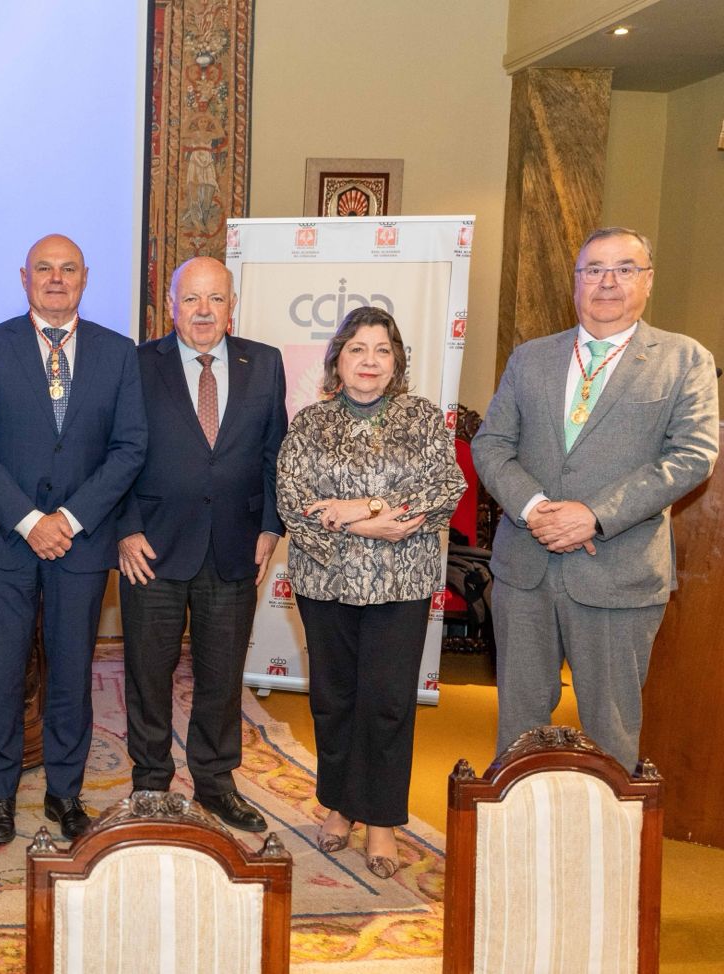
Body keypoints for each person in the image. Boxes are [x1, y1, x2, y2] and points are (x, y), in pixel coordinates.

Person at [472, 227, 718, 772]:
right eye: (593, 270)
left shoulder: (684, 360)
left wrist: (595, 516)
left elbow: (693, 455)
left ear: (647, 281)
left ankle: (605, 854)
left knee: (611, 731)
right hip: (525, 573)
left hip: (619, 573)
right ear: (575, 282)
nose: (607, 282)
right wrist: (535, 508)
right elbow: (491, 444)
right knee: (518, 729)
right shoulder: (530, 358)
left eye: (624, 269)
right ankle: (516, 850)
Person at [0, 234, 148, 844]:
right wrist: (28, 521)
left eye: (68, 269)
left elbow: (130, 447)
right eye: (45, 268)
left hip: (81, 544)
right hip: (3, 541)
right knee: (2, 675)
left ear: (86, 278)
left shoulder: (120, 354)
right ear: (24, 277)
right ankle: (1, 795)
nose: (56, 278)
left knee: (71, 675)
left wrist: (67, 520)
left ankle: (66, 794)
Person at [276, 306, 465, 879]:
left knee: (386, 702)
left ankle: (381, 819)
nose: (369, 361)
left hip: (400, 585)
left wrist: (364, 508)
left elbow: (445, 488)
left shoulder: (424, 418)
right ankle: (338, 805)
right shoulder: (310, 423)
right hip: (325, 581)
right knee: (333, 699)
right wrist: (363, 525)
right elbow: (292, 499)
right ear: (338, 359)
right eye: (357, 349)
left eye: (382, 350)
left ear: (397, 361)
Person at [117, 256, 287, 833]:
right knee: (148, 672)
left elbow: (274, 454)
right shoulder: (137, 365)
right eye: (191, 299)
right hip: (153, 548)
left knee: (221, 673)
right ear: (171, 305)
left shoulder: (264, 363)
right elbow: (114, 453)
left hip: (235, 546)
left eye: (215, 299)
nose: (203, 311)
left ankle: (216, 783)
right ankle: (151, 783)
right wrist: (125, 527)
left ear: (231, 304)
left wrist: (270, 526)